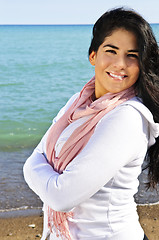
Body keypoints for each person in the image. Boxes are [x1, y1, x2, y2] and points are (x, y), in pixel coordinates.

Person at [23, 7, 159, 240]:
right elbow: (35, 158)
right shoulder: (78, 103)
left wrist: (35, 170)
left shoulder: (127, 117)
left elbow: (61, 197)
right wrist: (39, 170)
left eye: (132, 55)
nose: (120, 64)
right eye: (111, 51)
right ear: (93, 55)